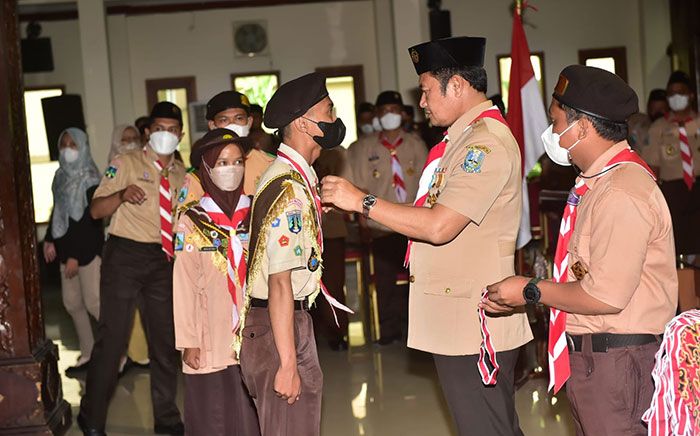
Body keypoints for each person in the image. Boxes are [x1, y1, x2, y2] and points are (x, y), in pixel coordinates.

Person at [320, 36, 532, 436]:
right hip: (460, 318)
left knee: (487, 428)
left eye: (426, 90)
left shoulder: (483, 145)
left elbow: (438, 226)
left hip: (475, 321)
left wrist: (361, 200)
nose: (421, 102)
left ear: (457, 86)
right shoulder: (459, 141)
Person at [482, 65, 678, 436]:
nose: (552, 133)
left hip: (619, 363)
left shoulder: (621, 192)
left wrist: (529, 290)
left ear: (582, 128)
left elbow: (605, 295)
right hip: (599, 360)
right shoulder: (599, 184)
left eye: (557, 123)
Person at [239, 72, 349, 436]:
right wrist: (288, 363)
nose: (335, 118)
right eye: (328, 110)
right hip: (279, 329)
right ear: (304, 123)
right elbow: (280, 282)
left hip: (283, 325)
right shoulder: (289, 189)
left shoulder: (297, 178)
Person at [78, 101, 186, 436]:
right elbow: (96, 211)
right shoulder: (125, 163)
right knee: (113, 341)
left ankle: (167, 419)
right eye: (159, 129)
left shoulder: (183, 173)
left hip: (163, 261)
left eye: (171, 129)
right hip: (125, 256)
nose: (165, 135)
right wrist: (122, 194)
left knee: (165, 343)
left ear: (180, 134)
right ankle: (91, 417)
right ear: (147, 132)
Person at [173, 129, 260, 436]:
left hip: (254, 331)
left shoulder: (255, 213)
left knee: (250, 412)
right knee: (213, 416)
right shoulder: (192, 220)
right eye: (222, 162)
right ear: (206, 169)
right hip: (208, 335)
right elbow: (183, 285)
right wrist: (189, 341)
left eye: (237, 161)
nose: (231, 169)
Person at [346, 90, 428, 345]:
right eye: (385, 112)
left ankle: (417, 328)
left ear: (402, 113)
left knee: (419, 278)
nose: (390, 116)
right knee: (384, 280)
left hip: (414, 223)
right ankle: (388, 330)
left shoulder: (416, 144)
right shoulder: (362, 148)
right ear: (377, 116)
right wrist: (361, 221)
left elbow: (430, 185)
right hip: (379, 224)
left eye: (394, 110)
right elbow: (356, 188)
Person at [43, 127, 103, 374]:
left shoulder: (91, 178)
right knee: (72, 303)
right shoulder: (60, 176)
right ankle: (88, 352)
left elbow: (89, 222)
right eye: (64, 144)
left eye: (73, 144)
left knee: (94, 302)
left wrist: (74, 257)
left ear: (83, 147)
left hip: (86, 252)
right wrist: (49, 239)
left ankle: (118, 352)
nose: (68, 149)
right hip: (66, 251)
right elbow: (58, 210)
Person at [643, 71, 700, 261]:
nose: (676, 97)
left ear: (691, 95)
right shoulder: (658, 128)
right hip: (673, 193)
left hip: (698, 187)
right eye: (672, 94)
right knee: (678, 246)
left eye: (681, 92)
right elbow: (652, 168)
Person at [312, 147, 350, 350]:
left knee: (333, 285)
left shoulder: (336, 154)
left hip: (331, 229)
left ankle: (338, 334)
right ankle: (310, 338)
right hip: (300, 232)